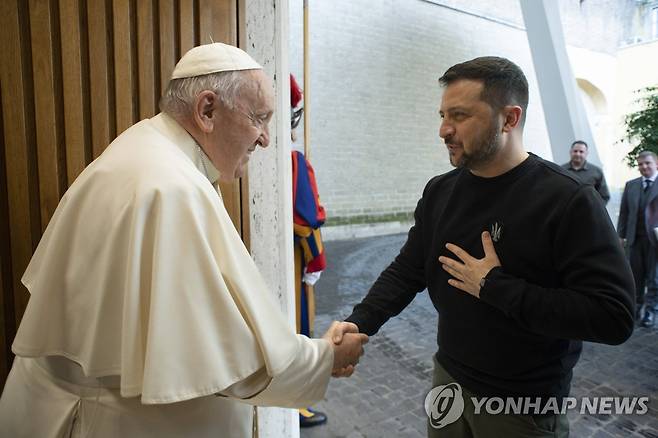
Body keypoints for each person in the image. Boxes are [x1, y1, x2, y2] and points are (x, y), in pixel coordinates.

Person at [0, 43, 368, 438]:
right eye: (259, 118)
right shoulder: (172, 187)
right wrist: (324, 357)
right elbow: (229, 360)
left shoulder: (144, 146)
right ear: (207, 110)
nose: (264, 139)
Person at [345, 57, 634, 438]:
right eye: (443, 114)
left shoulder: (568, 200)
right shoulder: (440, 191)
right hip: (448, 378)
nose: (443, 130)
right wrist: (359, 323)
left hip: (521, 405)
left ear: (509, 119)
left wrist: (495, 286)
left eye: (460, 116)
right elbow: (408, 268)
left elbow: (613, 317)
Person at [290, 73, 329, 427]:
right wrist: (317, 258)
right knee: (300, 327)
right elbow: (306, 218)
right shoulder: (293, 161)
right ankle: (299, 405)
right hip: (293, 258)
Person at [618, 150, 658, 328]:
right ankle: (635, 307)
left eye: (647, 163)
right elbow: (625, 213)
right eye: (640, 164)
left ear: (656, 164)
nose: (644, 167)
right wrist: (621, 235)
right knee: (635, 277)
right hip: (635, 239)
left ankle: (651, 311)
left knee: (654, 278)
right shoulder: (631, 185)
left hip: (655, 241)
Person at [561, 140, 610, 204]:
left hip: (589, 212)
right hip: (565, 212)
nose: (578, 154)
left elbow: (604, 196)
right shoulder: (561, 170)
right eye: (575, 151)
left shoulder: (597, 172)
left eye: (581, 152)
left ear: (586, 153)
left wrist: (595, 210)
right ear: (570, 152)